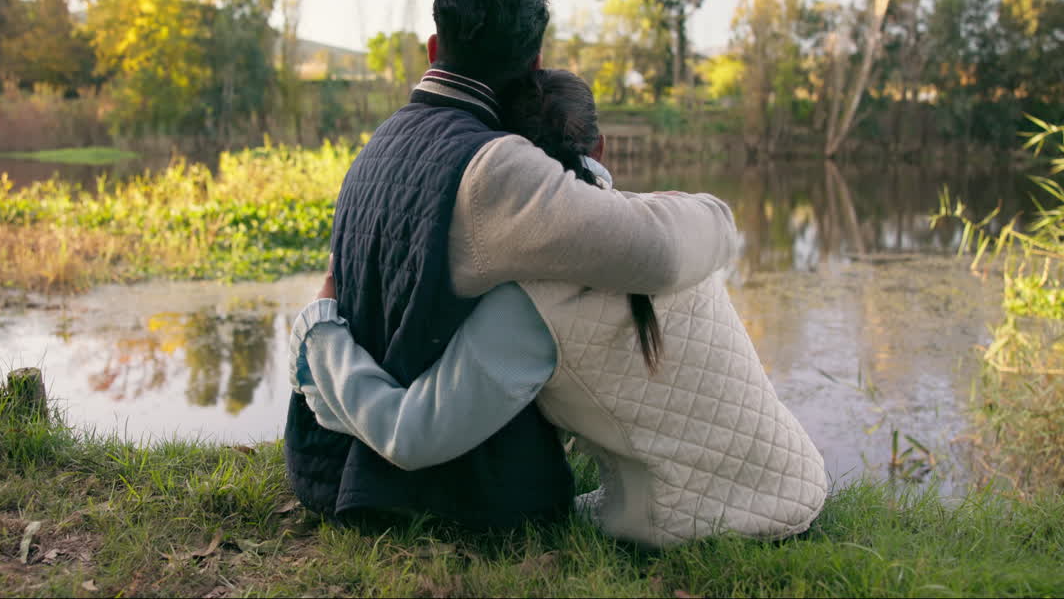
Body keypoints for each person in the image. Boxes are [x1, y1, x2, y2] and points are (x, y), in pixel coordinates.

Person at [284, 0, 739, 530]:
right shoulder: (497, 169)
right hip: (438, 490)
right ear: (536, 64)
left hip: (326, 463)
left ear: (433, 49)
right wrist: (715, 215)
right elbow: (661, 255)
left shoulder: (380, 141)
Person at [291, 70, 828, 548]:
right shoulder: (651, 228)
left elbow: (412, 435)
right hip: (799, 481)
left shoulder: (530, 300)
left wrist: (321, 338)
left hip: (692, 520)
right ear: (603, 146)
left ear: (505, 156)